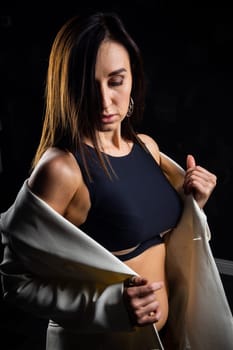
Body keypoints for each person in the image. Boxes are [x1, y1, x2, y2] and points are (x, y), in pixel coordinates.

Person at [0, 11, 233, 350]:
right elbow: (15, 283)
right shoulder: (61, 169)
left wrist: (195, 205)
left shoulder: (146, 147)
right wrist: (111, 306)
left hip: (169, 339)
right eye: (87, 85)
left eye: (116, 81)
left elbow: (171, 243)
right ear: (67, 87)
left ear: (133, 79)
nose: (105, 102)